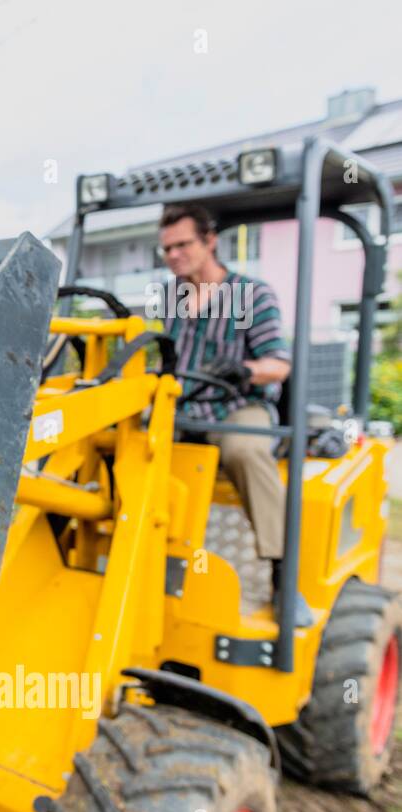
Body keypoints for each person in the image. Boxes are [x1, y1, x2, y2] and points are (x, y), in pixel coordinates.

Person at [156, 203, 312, 626]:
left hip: (237, 407)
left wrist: (245, 369)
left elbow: (278, 363)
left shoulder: (251, 294)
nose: (173, 255)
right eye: (166, 248)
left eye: (183, 245)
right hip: (182, 408)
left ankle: (284, 575)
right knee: (129, 448)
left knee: (244, 451)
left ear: (210, 241)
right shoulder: (170, 296)